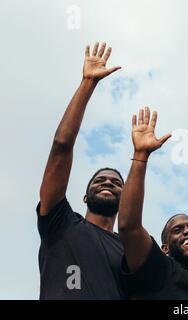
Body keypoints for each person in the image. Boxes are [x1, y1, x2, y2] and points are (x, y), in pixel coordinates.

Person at [37, 42, 125, 299]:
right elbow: (61, 146)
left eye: (116, 182)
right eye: (99, 180)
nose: (107, 182)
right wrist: (88, 83)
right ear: (85, 197)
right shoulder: (61, 222)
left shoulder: (129, 250)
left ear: (124, 197)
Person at [119, 107, 188, 299]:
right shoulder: (162, 270)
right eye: (178, 230)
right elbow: (128, 227)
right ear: (165, 248)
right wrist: (141, 155)